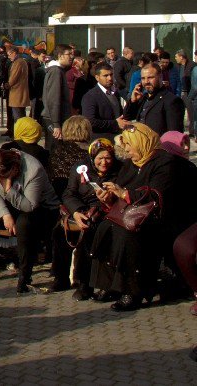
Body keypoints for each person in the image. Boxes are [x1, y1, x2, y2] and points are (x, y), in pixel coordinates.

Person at [88, 122, 197, 310]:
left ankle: (133, 291)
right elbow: (122, 187)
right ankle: (109, 285)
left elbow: (156, 195)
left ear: (141, 142)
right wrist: (109, 197)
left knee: (127, 234)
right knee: (105, 226)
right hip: (133, 213)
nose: (127, 151)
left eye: (129, 146)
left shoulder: (164, 162)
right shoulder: (132, 163)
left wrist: (124, 194)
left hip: (162, 218)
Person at [0, 148, 60, 292]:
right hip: (12, 204)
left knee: (23, 224)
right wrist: (5, 214)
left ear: (15, 168)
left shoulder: (33, 170)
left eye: (5, 176)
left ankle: (25, 275)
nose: (0, 179)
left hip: (41, 207)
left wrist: (8, 190)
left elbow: (29, 206)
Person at [50, 138, 120, 299]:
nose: (104, 162)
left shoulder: (119, 171)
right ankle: (60, 277)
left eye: (108, 158)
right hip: (81, 210)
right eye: (100, 158)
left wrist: (108, 199)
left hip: (104, 213)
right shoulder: (80, 169)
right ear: (92, 157)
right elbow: (69, 194)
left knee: (88, 235)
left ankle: (84, 283)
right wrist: (76, 211)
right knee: (59, 232)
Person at [121, 63, 186, 136]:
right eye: (143, 78)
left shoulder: (172, 100)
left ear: (160, 77)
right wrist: (133, 101)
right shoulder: (143, 98)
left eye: (150, 77)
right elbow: (127, 117)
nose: (146, 82)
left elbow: (174, 134)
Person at [47, 115, 94, 196]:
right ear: (87, 130)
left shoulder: (57, 150)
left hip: (55, 194)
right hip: (81, 196)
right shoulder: (90, 152)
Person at [80, 62, 123, 140]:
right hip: (101, 140)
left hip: (117, 137)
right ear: (97, 77)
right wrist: (115, 123)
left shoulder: (114, 93)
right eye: (105, 76)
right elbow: (90, 121)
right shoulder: (90, 96)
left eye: (111, 74)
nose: (110, 78)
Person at [42, 45, 74, 143]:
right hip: (54, 119)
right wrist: (56, 124)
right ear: (60, 56)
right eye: (69, 54)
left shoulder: (59, 70)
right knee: (55, 151)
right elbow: (53, 99)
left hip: (56, 118)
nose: (72, 57)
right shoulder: (56, 71)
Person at [6, 48, 30, 132]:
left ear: (14, 53)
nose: (8, 57)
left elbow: (13, 78)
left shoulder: (18, 62)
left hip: (17, 93)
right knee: (21, 115)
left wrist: (7, 85)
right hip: (20, 92)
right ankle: (21, 132)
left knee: (17, 117)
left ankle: (18, 133)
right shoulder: (22, 61)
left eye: (9, 54)